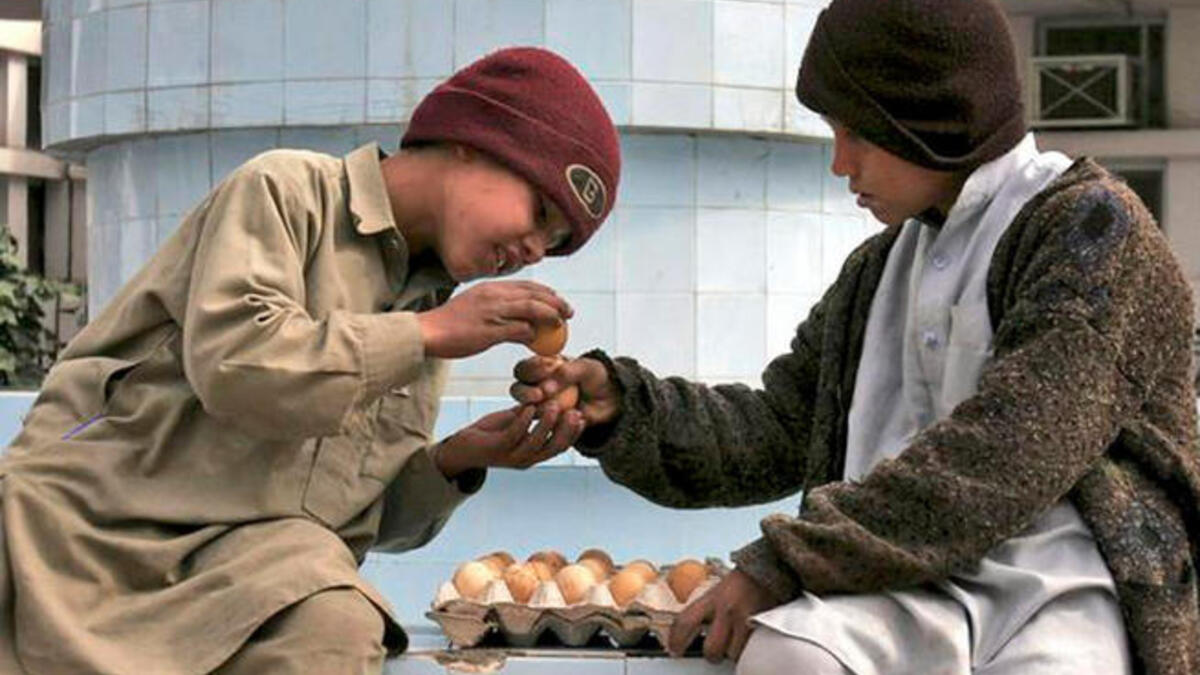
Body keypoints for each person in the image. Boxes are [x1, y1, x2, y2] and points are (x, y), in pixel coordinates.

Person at [512, 2, 1200, 673]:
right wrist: (625, 407)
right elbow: (780, 426)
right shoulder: (879, 269)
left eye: (858, 134)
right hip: (898, 589)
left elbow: (1012, 449)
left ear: (928, 115)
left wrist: (788, 560)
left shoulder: (1093, 230)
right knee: (788, 655)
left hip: (1063, 594)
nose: (840, 164)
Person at [0, 46, 620, 674]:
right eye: (539, 213)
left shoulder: (433, 303)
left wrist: (459, 458)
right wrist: (424, 334)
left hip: (247, 571)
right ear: (474, 139)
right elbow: (236, 369)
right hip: (93, 534)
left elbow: (348, 512)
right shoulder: (288, 192)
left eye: (552, 244)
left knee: (337, 622)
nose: (533, 250)